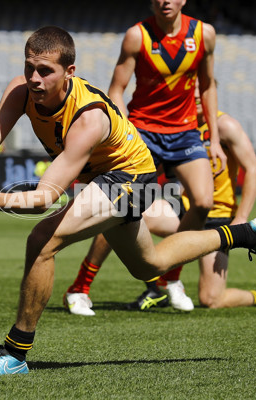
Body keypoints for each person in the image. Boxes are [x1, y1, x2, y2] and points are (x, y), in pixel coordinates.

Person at [0, 26, 256, 376]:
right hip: (104, 178)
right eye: (29, 67)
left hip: (132, 177)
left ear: (69, 73)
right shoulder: (19, 90)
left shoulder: (88, 118)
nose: (34, 78)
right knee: (149, 265)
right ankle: (247, 234)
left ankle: (15, 353)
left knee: (42, 240)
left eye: (45, 71)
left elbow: (46, 197)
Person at [70, 0, 227, 311]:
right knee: (121, 211)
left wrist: (216, 140)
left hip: (186, 133)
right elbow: (117, 89)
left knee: (203, 203)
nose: (165, 0)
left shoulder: (204, 34)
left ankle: (171, 278)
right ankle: (79, 288)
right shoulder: (137, 36)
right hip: (144, 132)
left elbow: (208, 86)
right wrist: (127, 132)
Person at [64, 88, 256, 316]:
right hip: (182, 209)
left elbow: (253, 170)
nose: (198, 96)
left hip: (218, 218)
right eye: (194, 90)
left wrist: (240, 218)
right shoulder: (177, 128)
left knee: (211, 298)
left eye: (204, 91)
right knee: (120, 210)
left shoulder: (225, 126)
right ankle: (81, 286)